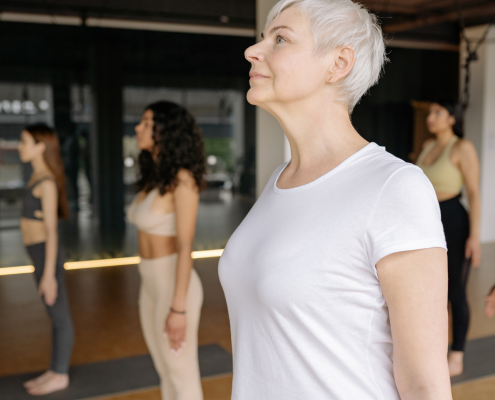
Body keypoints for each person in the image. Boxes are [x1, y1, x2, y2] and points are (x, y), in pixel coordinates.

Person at [219, 1, 452, 399]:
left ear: (338, 63)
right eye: (262, 38)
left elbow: (425, 384)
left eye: (280, 39)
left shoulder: (393, 187)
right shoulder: (279, 182)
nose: (253, 51)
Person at [127, 101, 206, 400]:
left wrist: (178, 308)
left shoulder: (183, 179)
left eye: (147, 123)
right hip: (150, 285)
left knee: (181, 376)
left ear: (166, 132)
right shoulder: (153, 177)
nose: (138, 128)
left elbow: (186, 245)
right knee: (165, 372)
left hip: (175, 286)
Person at [416, 100, 481, 376]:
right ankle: (436, 349)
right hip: (427, 220)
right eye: (430, 113)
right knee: (432, 292)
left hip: (454, 219)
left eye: (438, 113)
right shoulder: (428, 147)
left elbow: (474, 193)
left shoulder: (462, 148)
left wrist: (475, 237)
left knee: (455, 290)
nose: (431, 117)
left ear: (452, 118)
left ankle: (456, 356)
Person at [17, 124, 74, 395]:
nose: (20, 146)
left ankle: (60, 374)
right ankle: (54, 369)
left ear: (40, 146)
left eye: (24, 141)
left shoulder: (46, 183)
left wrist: (49, 274)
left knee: (60, 316)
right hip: (38, 256)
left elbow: (52, 232)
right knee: (54, 315)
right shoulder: (36, 177)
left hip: (45, 256)